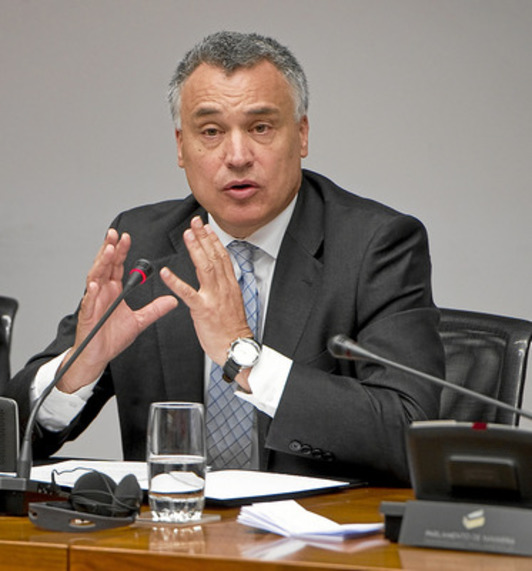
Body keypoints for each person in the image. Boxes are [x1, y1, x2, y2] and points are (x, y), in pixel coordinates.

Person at [6, 31, 445, 485]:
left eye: (261, 128)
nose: (237, 156)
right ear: (181, 146)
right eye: (211, 132)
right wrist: (78, 369)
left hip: (314, 527)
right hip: (170, 524)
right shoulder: (144, 246)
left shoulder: (376, 245)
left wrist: (245, 359)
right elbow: (9, 437)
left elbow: (408, 432)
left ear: (302, 134)